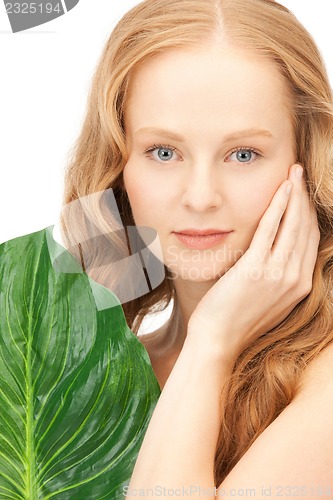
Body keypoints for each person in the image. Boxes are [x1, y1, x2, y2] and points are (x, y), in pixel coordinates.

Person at [58, 0, 333, 493]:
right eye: (164, 152)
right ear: (119, 167)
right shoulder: (91, 366)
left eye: (243, 153)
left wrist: (212, 338)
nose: (201, 197)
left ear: (308, 163)